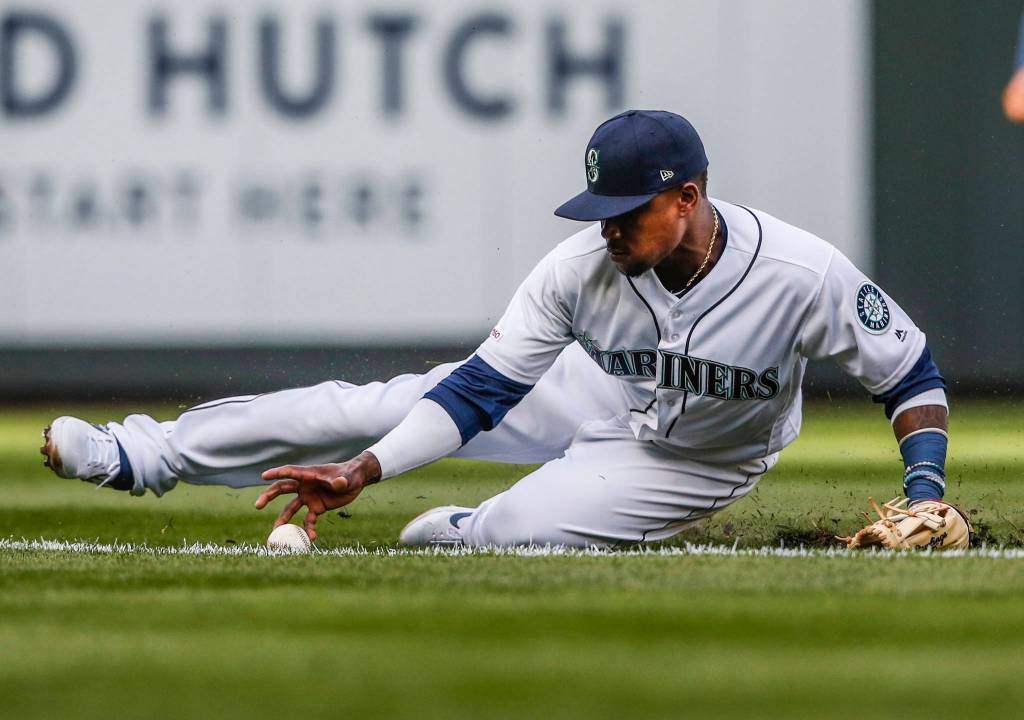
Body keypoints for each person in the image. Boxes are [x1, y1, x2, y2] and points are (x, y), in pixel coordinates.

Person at [41, 110, 951, 548]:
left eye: (629, 209)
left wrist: (925, 485)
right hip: (598, 389)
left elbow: (908, 375)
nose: (608, 227)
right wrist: (364, 470)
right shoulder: (581, 270)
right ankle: (144, 455)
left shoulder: (801, 273)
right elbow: (478, 393)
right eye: (601, 206)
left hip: (701, 455)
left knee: (515, 539)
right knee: (373, 407)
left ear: (687, 198)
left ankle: (465, 526)